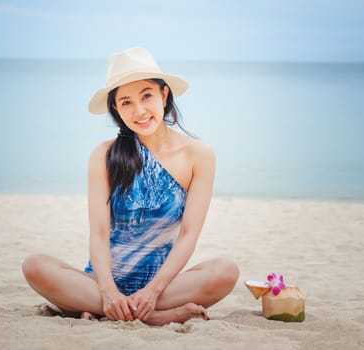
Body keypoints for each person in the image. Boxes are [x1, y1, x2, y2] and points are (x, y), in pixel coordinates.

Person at [22, 47, 239, 325]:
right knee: (35, 265)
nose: (139, 111)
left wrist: (153, 291)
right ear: (115, 108)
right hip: (101, 283)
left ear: (163, 95)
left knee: (225, 270)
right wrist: (108, 291)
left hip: (163, 286)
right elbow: (99, 233)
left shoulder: (199, 154)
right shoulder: (104, 154)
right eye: (126, 102)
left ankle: (107, 311)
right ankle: (153, 317)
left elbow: (188, 236)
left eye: (146, 96)